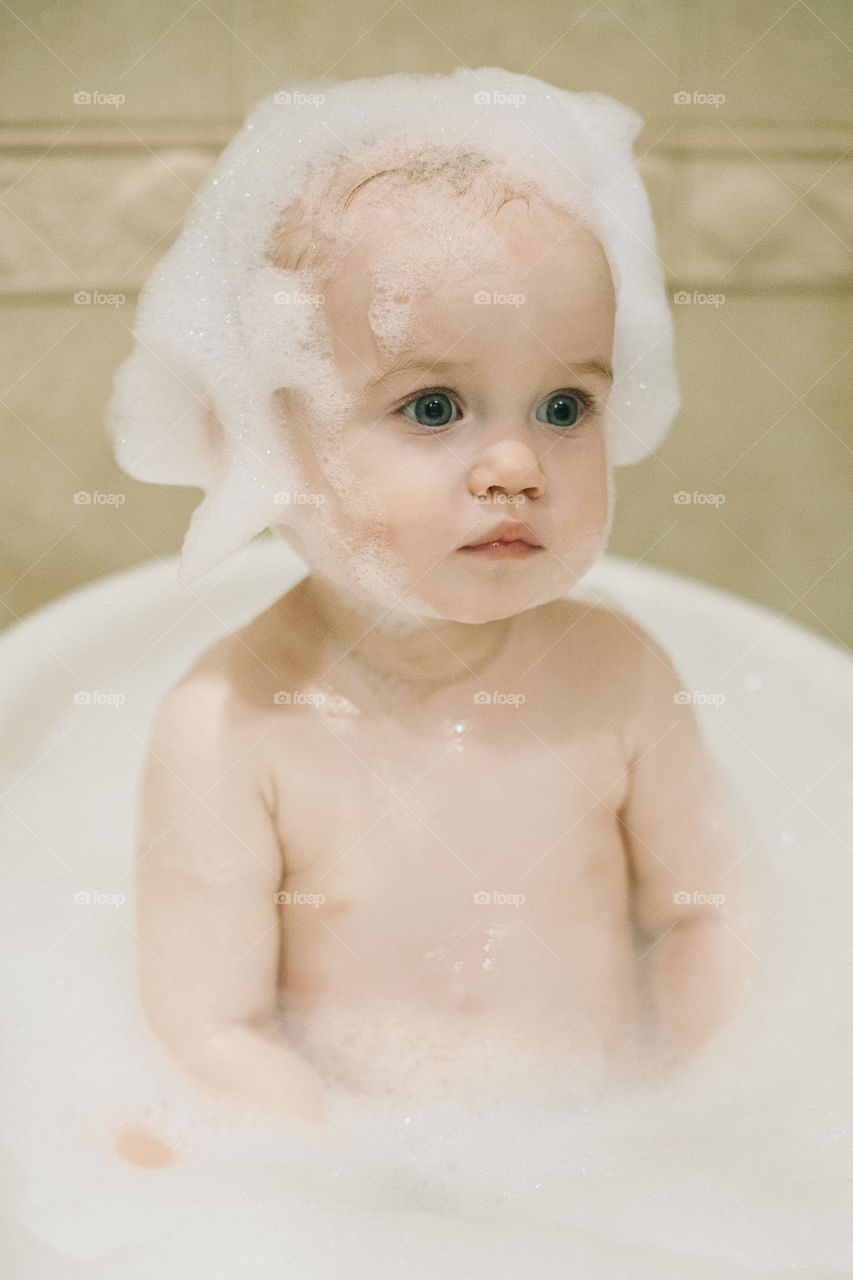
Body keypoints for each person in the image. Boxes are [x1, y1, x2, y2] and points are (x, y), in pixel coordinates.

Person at [107, 69, 755, 1167]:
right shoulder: (230, 730)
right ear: (262, 444)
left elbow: (707, 918)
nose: (514, 464)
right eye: (433, 406)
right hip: (360, 1174)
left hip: (614, 1163)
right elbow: (212, 1023)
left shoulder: (623, 676)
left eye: (564, 406)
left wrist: (694, 1120)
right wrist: (344, 1183)